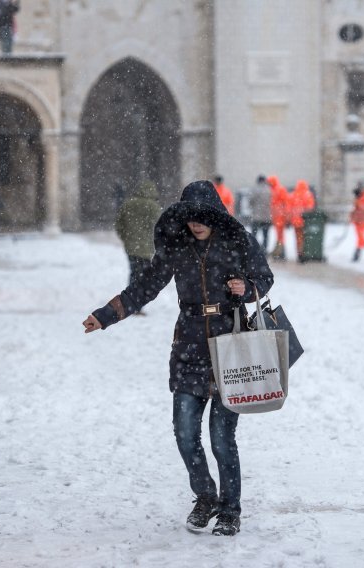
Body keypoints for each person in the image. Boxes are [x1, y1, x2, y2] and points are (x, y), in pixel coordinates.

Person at [82, 180, 274, 537]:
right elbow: (145, 286)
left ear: (215, 215)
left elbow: (265, 278)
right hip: (188, 347)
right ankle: (205, 497)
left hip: (231, 348)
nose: (196, 224)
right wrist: (106, 315)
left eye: (203, 217)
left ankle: (230, 510)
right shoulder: (177, 247)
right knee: (185, 433)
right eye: (190, 217)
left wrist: (246, 289)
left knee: (221, 438)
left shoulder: (238, 242)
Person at [114, 180, 161, 287]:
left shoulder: (127, 204)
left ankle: (131, 296)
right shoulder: (154, 207)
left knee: (134, 272)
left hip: (131, 246)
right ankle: (138, 297)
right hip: (147, 247)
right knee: (145, 274)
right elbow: (159, 227)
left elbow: (118, 225)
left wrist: (126, 238)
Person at [289, 179, 315, 262]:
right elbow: (310, 208)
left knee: (298, 238)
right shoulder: (307, 195)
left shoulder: (293, 195)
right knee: (306, 238)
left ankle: (299, 253)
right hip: (305, 221)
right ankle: (305, 253)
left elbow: (289, 208)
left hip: (296, 221)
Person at [266, 175, 290, 260]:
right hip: (277, 217)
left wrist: (286, 215)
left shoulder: (279, 189)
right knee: (279, 235)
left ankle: (281, 252)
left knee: (280, 236)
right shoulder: (273, 190)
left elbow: (286, 203)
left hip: (280, 217)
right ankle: (280, 252)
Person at [248, 175, 272, 251]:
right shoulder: (268, 190)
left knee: (254, 235)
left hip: (256, 217)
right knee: (265, 235)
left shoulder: (255, 189)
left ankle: (254, 250)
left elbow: (251, 201)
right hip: (266, 217)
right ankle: (264, 250)